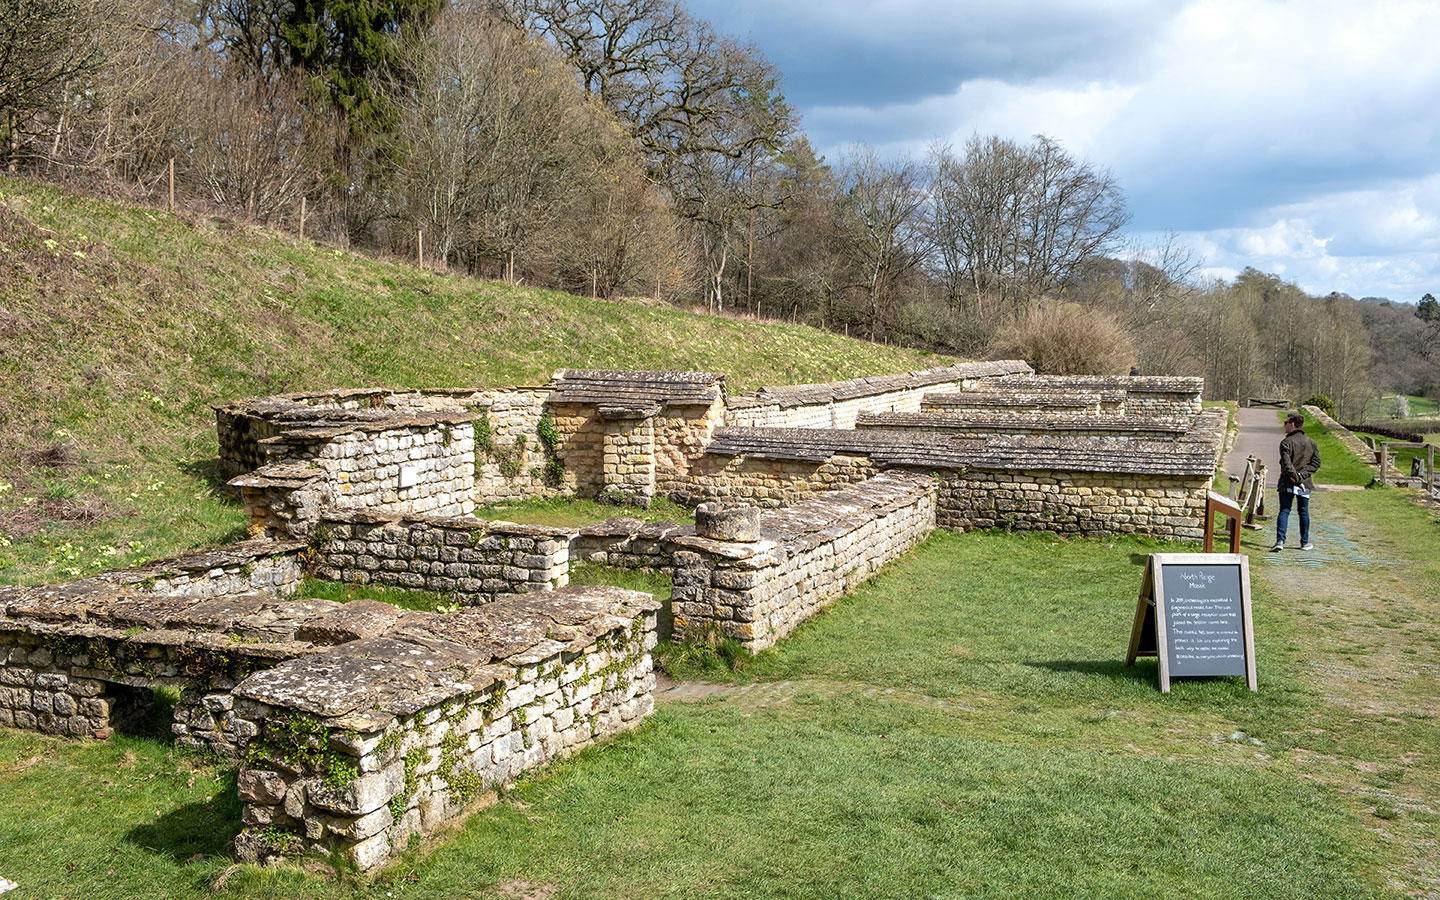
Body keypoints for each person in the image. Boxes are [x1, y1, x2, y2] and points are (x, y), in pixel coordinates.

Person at [1271, 411, 1321, 552]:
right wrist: (1302, 477)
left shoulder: (1286, 442)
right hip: (1304, 484)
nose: (1284, 425)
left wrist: (1296, 478)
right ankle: (1304, 543)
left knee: (1285, 510)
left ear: (1292, 424)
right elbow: (1316, 463)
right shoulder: (1311, 442)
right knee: (1303, 512)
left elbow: (1287, 465)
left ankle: (1280, 541)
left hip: (1288, 481)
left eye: (1286, 423)